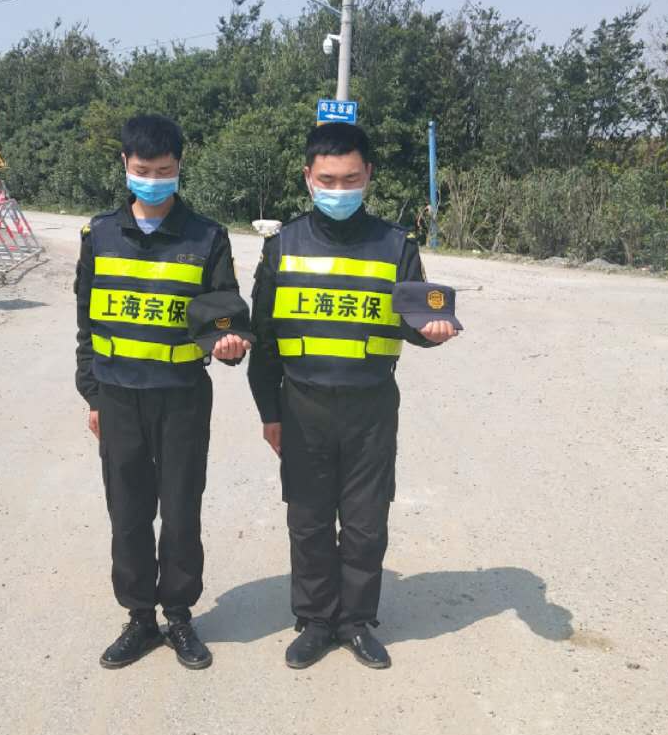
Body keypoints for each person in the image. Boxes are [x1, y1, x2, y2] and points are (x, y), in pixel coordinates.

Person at [248, 122, 460, 671]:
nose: (338, 190)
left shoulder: (395, 245)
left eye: (349, 179)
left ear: (368, 175)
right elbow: (264, 341)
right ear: (308, 177)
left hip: (371, 407)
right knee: (309, 520)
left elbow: (415, 319)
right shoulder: (282, 247)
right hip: (302, 405)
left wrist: (431, 333)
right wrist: (269, 412)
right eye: (327, 180)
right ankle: (316, 620)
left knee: (366, 523)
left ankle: (356, 621)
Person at [75, 114, 250, 671]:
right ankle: (139, 618)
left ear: (180, 167)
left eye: (164, 170)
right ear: (125, 166)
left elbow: (226, 316)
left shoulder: (206, 237)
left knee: (179, 511)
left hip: (182, 397)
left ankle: (177, 615)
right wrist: (93, 396)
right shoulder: (99, 235)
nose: (153, 179)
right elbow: (86, 325)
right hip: (119, 398)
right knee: (127, 514)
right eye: (143, 170)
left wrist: (231, 347)